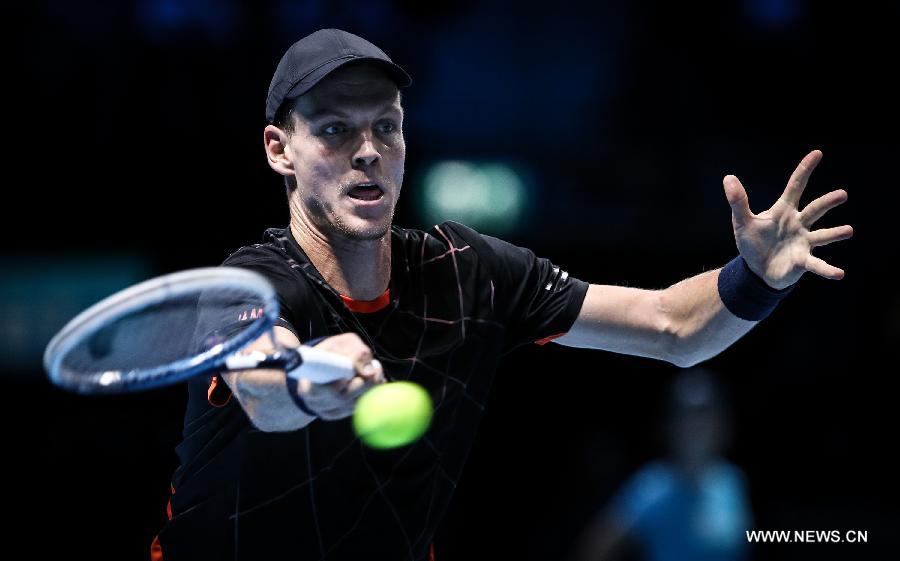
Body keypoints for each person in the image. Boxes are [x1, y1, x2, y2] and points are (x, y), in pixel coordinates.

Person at [150, 28, 852, 561]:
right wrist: (310, 377)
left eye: (385, 126)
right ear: (280, 149)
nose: (367, 149)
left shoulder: (467, 271)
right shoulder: (257, 281)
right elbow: (257, 378)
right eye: (334, 129)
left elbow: (672, 326)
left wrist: (754, 277)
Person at [570, 368, 753, 561]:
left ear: (722, 422)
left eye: (705, 413)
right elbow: (595, 549)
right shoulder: (650, 485)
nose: (696, 424)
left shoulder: (733, 481)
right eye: (686, 414)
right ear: (671, 424)